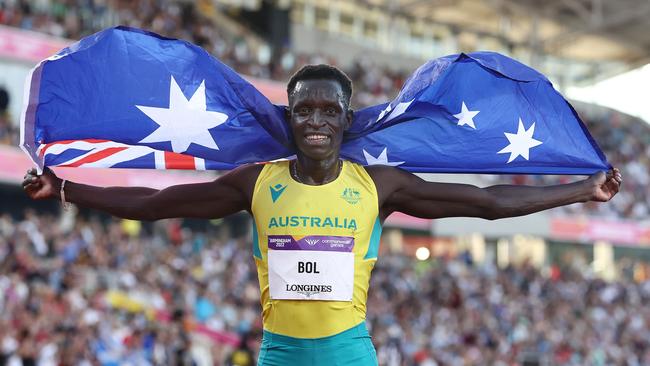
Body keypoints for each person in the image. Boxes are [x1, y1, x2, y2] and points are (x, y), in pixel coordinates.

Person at [23, 64, 622, 365]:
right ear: (288, 119)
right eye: (302, 110)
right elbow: (156, 204)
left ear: (345, 118)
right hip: (279, 353)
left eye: (327, 111)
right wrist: (69, 190)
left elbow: (488, 204)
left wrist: (580, 191)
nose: (314, 121)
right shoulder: (257, 182)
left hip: (350, 354)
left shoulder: (377, 186)